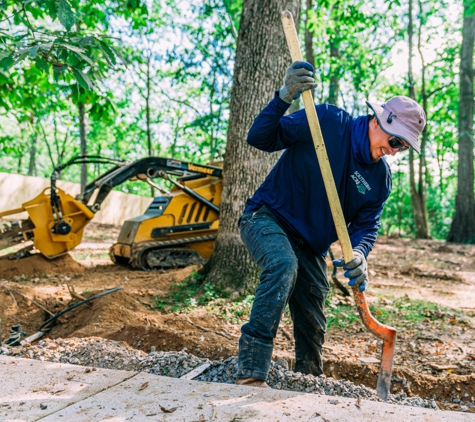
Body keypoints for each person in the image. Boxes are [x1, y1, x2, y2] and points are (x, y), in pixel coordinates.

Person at [234, 61, 426, 388]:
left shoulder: (379, 181)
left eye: (403, 148)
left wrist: (361, 254)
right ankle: (251, 372)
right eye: (396, 142)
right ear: (381, 121)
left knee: (313, 307)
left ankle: (308, 383)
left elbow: (366, 227)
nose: (394, 152)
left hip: (310, 246)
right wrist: (284, 96)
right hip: (266, 217)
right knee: (282, 265)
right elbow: (260, 137)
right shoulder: (326, 121)